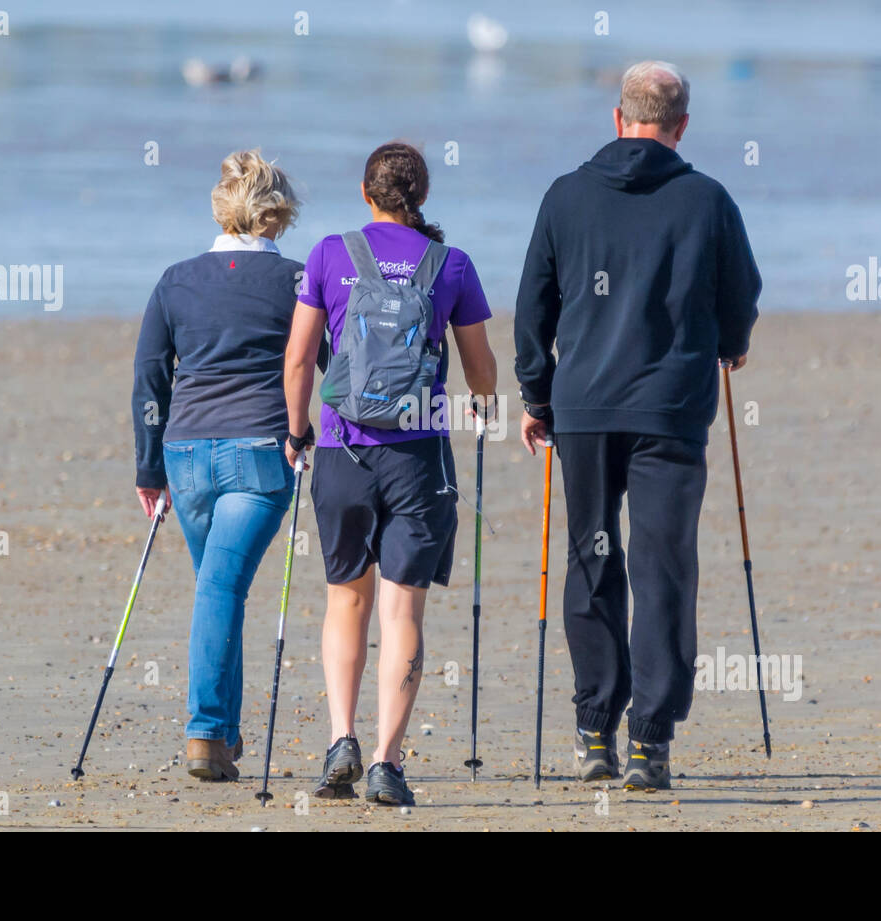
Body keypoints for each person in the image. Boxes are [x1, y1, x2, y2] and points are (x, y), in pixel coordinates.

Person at [514, 61, 762, 790]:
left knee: (593, 558)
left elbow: (534, 306)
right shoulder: (707, 200)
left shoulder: (566, 196)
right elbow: (740, 293)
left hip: (585, 409)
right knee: (663, 568)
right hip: (671, 412)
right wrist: (731, 342)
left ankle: (597, 727)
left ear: (619, 119)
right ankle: (649, 740)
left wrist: (537, 394)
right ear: (682, 127)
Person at [283, 141, 498, 806]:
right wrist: (485, 408)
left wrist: (298, 432)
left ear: (365, 192)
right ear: (423, 195)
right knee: (402, 607)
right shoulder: (451, 264)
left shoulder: (329, 254)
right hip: (419, 455)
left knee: (346, 598)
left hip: (345, 451)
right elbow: (481, 365)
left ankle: (340, 738)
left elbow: (298, 358)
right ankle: (385, 762)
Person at [132, 150, 305, 782]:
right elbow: (328, 357)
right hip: (259, 453)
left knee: (219, 590)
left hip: (185, 455)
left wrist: (149, 468)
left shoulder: (176, 279)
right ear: (276, 214)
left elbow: (151, 377)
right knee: (220, 590)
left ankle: (223, 736)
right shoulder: (296, 280)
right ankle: (206, 729)